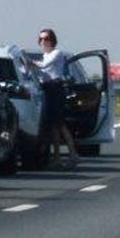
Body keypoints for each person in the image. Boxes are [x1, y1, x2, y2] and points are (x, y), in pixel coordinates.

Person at [31, 28, 79, 169]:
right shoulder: (44, 55)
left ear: (53, 40)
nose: (43, 42)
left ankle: (73, 154)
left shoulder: (57, 54)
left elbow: (45, 66)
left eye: (46, 39)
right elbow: (42, 74)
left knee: (59, 123)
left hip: (56, 89)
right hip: (47, 89)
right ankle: (57, 157)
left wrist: (29, 62)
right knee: (54, 126)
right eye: (41, 39)